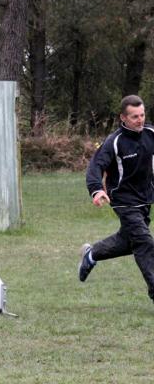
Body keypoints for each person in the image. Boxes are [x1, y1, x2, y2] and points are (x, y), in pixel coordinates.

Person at [79, 94, 154, 302]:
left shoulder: (150, 133)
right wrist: (97, 190)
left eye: (142, 115)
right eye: (134, 117)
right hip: (124, 201)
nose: (140, 120)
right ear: (123, 117)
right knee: (144, 242)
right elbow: (96, 166)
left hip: (145, 199)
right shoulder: (114, 141)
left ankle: (91, 254)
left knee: (129, 241)